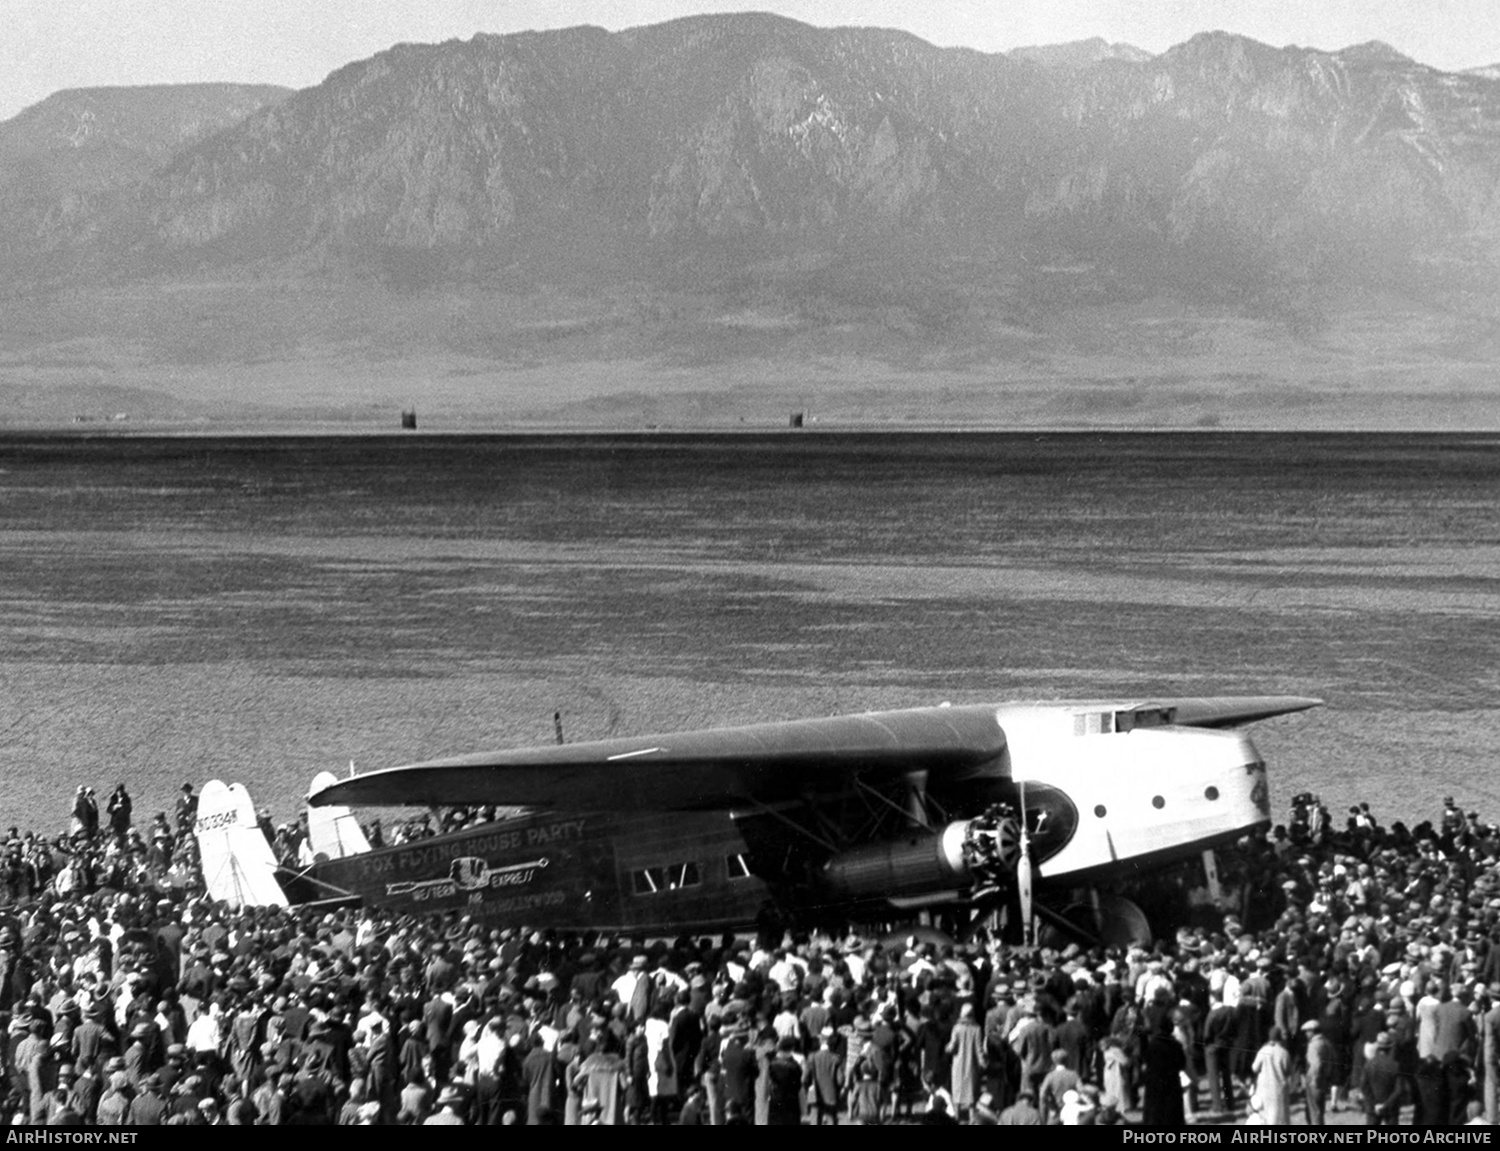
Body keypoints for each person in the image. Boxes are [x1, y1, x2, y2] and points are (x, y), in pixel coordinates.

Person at [1249, 1027, 1292, 1126]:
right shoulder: (1284, 1053)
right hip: (1279, 1089)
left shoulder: (1263, 1051)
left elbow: (1254, 1068)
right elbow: (1289, 1071)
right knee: (1280, 1116)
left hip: (1265, 1089)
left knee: (1266, 1117)